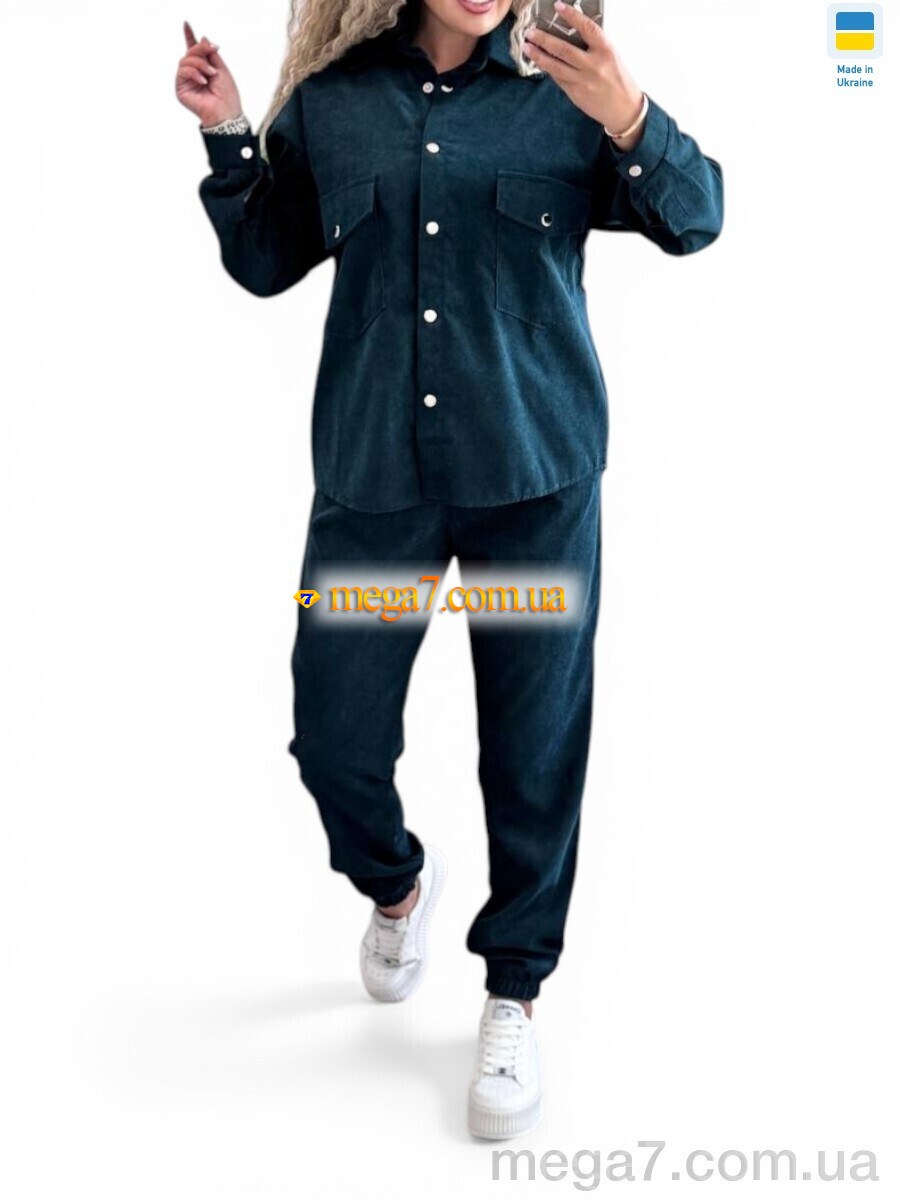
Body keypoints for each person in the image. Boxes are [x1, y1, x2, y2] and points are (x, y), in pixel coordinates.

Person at [177, 0, 723, 1140]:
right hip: (379, 484)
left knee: (533, 752)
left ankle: (514, 989)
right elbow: (267, 260)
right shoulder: (335, 103)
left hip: (534, 483)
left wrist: (626, 112)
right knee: (333, 739)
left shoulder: (569, 95)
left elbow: (698, 217)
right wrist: (228, 131)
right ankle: (396, 887)